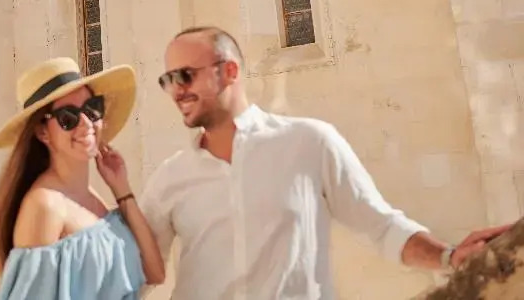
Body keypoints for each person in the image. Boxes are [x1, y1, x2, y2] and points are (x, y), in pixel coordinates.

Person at [139, 26, 513, 300]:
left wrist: (450, 257)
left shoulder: (308, 143)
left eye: (185, 76)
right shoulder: (170, 179)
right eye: (167, 81)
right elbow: (135, 274)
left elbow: (381, 226)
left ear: (230, 71)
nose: (176, 91)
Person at [0, 57, 165, 299]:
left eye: (92, 108)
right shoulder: (45, 206)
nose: (86, 123)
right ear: (42, 132)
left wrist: (121, 189)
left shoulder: (90, 197)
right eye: (67, 118)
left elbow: (155, 273)